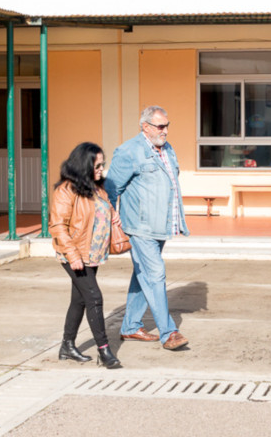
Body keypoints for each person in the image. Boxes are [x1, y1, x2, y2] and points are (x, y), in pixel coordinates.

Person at [105, 105, 190, 351]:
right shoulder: (129, 151)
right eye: (160, 126)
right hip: (139, 227)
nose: (165, 131)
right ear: (145, 126)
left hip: (160, 225)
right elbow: (111, 189)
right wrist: (113, 219)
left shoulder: (167, 149)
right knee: (155, 275)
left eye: (167, 126)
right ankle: (169, 332)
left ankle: (130, 326)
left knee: (143, 275)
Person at [50, 142, 121, 369]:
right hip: (75, 254)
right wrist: (73, 255)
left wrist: (113, 215)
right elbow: (58, 225)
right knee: (94, 298)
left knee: (79, 300)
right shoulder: (66, 190)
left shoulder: (96, 187)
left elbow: (105, 207)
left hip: (93, 254)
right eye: (97, 165)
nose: (101, 169)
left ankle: (67, 346)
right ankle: (104, 350)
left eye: (102, 164)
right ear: (83, 164)